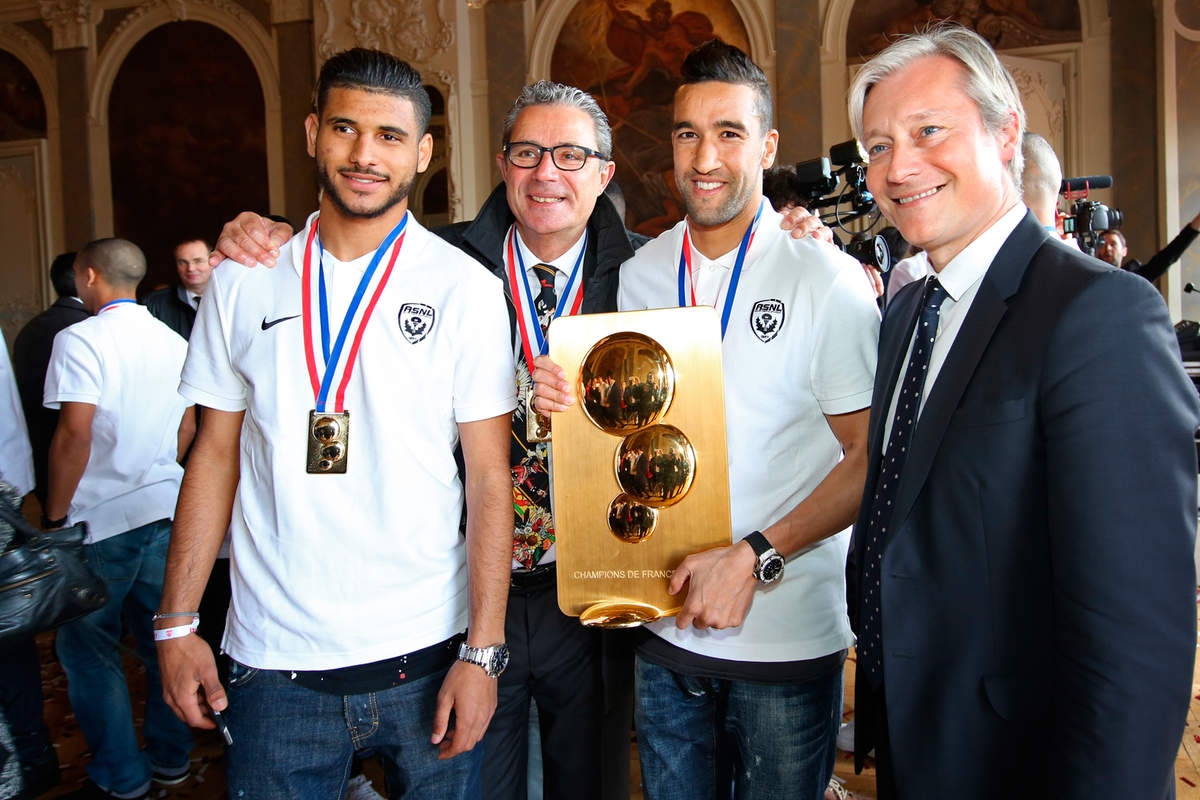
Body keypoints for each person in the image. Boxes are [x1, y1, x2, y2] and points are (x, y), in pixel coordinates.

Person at [209, 79, 831, 800]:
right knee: (478, 779)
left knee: (590, 780)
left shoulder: (645, 273)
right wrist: (262, 234)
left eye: (571, 155)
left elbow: (740, 268)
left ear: (603, 174)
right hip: (472, 589)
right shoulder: (433, 264)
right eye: (528, 152)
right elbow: (332, 259)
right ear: (501, 165)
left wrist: (800, 232)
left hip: (597, 586)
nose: (547, 174)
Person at [845, 24, 1199, 798]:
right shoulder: (909, 313)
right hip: (918, 739)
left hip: (1025, 761)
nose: (899, 166)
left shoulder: (1099, 314)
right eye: (877, 146)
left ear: (1006, 133)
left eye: (928, 131)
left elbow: (1137, 638)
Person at [155, 48, 515, 799]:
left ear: (422, 153)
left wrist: (482, 654)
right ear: (314, 132)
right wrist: (176, 621)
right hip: (272, 662)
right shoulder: (243, 279)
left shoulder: (465, 290)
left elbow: (487, 477)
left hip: (428, 646)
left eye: (390, 136)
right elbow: (214, 454)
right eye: (346, 128)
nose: (363, 154)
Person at [535, 39, 880, 799]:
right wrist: (565, 400)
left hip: (787, 640)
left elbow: (867, 460)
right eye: (688, 133)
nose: (705, 156)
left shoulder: (825, 278)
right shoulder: (641, 272)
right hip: (665, 634)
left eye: (729, 133)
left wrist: (754, 554)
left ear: (768, 145)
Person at [42, 238, 196, 800]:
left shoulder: (79, 338)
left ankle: (121, 776)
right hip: (166, 509)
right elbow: (187, 428)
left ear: (87, 277)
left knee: (90, 654)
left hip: (100, 521)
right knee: (167, 643)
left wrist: (55, 518)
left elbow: (74, 434)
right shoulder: (172, 338)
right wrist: (158, 470)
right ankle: (172, 758)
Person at [12, 251, 89, 507]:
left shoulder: (28, 329)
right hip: (83, 462)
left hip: (38, 452)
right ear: (87, 278)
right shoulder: (89, 329)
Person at [1095, 211, 1200, 282]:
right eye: (1102, 244)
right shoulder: (1090, 277)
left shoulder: (1137, 278)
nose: (1107, 248)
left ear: (1124, 251)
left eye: (1113, 244)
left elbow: (1168, 256)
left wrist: (1195, 226)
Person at [142, 237, 212, 339]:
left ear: (213, 262)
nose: (190, 268)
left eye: (198, 261)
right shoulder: (154, 303)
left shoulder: (229, 299)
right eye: (182, 262)